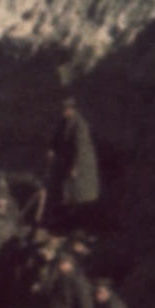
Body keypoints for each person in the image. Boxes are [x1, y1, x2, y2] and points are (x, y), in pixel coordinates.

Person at [45, 95, 100, 230]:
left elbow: (81, 148)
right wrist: (52, 149)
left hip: (82, 165)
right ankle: (68, 223)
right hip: (69, 163)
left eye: (67, 110)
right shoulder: (64, 122)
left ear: (73, 110)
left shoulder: (80, 125)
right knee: (67, 193)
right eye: (63, 110)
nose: (64, 112)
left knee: (80, 196)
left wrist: (76, 167)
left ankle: (81, 226)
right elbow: (57, 137)